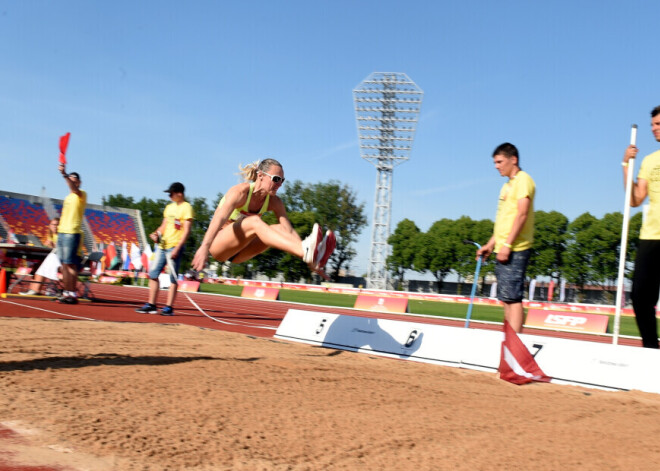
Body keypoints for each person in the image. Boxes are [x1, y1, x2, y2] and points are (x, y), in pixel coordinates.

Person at [190, 158, 334, 278]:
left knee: (279, 228)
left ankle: (311, 256)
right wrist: (204, 247)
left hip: (241, 252)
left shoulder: (275, 202)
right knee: (254, 222)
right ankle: (307, 252)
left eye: (282, 181)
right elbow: (218, 218)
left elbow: (288, 232)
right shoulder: (239, 193)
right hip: (219, 246)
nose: (279, 185)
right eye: (276, 179)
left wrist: (311, 264)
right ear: (260, 175)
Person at [476, 143, 535, 333]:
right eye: (495, 162)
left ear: (513, 160)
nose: (496, 166)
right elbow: (503, 221)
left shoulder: (523, 180)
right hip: (502, 247)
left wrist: (508, 245)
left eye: (499, 161)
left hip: (516, 248)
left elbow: (522, 214)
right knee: (506, 299)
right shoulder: (506, 186)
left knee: (513, 299)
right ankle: (508, 343)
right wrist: (490, 244)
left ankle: (515, 346)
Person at [622, 105, 660, 348]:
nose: (654, 129)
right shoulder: (649, 161)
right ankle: (651, 349)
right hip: (651, 236)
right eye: (653, 125)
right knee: (640, 296)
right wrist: (626, 165)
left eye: (658, 124)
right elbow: (635, 199)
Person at [136, 182, 194, 316]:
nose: (169, 196)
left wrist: (177, 248)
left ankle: (169, 307)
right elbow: (164, 225)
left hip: (174, 246)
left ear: (179, 194)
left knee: (172, 278)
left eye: (171, 193)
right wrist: (156, 234)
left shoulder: (187, 208)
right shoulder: (169, 207)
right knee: (153, 274)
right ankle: (151, 304)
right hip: (162, 246)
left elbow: (186, 231)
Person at [57, 164, 87, 304]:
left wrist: (64, 174)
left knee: (70, 265)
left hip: (72, 232)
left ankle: (72, 293)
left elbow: (74, 189)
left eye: (75, 180)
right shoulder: (68, 197)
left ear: (79, 182)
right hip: (62, 231)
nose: (72, 181)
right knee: (64, 264)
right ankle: (66, 291)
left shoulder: (81, 194)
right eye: (71, 179)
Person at [19, 217, 62, 296]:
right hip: (53, 258)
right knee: (37, 265)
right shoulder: (51, 235)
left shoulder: (61, 236)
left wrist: (53, 245)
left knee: (41, 265)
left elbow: (61, 250)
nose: (55, 226)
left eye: (57, 225)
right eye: (53, 224)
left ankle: (35, 289)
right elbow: (45, 247)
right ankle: (33, 289)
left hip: (60, 262)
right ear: (49, 225)